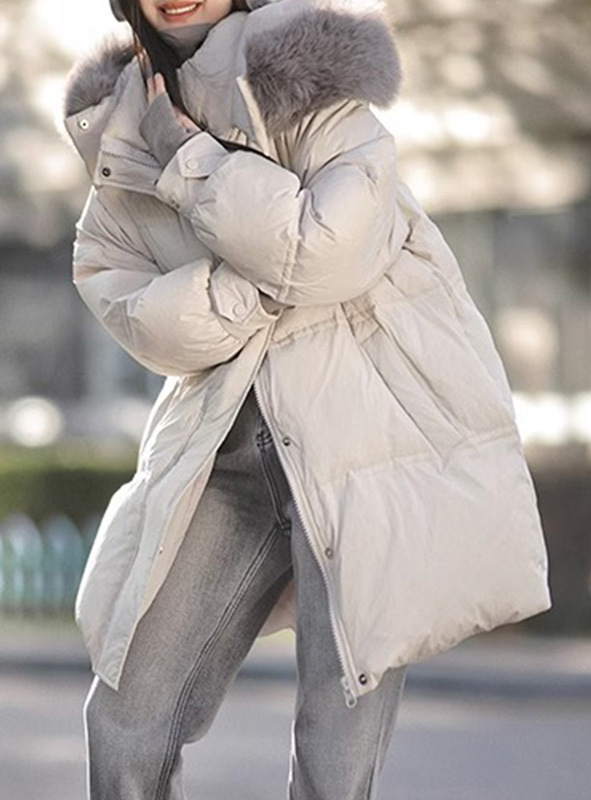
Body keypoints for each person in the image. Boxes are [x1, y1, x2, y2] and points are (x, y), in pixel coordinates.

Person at [60, 0, 552, 797]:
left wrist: (190, 162)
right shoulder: (116, 142)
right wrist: (261, 282)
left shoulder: (314, 86)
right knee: (126, 715)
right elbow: (144, 320)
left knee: (334, 754)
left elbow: (330, 253)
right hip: (225, 452)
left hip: (367, 444)